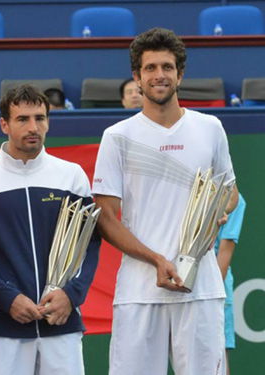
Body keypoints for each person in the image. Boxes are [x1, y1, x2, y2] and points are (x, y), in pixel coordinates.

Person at [92, 27, 238, 375]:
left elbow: (230, 192)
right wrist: (156, 259)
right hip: (140, 290)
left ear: (180, 74)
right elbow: (106, 217)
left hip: (200, 288)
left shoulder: (211, 128)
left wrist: (218, 211)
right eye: (151, 68)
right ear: (137, 77)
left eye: (167, 67)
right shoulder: (117, 137)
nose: (160, 75)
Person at [0, 85, 100, 375]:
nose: (33, 127)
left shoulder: (71, 175)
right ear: (4, 124)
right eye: (22, 119)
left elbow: (88, 245)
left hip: (62, 321)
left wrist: (70, 295)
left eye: (40, 118)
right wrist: (6, 297)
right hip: (6, 326)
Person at [214, 194, 246, 375]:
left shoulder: (236, 201)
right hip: (175, 285)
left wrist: (209, 299)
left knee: (218, 360)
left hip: (216, 291)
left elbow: (223, 258)